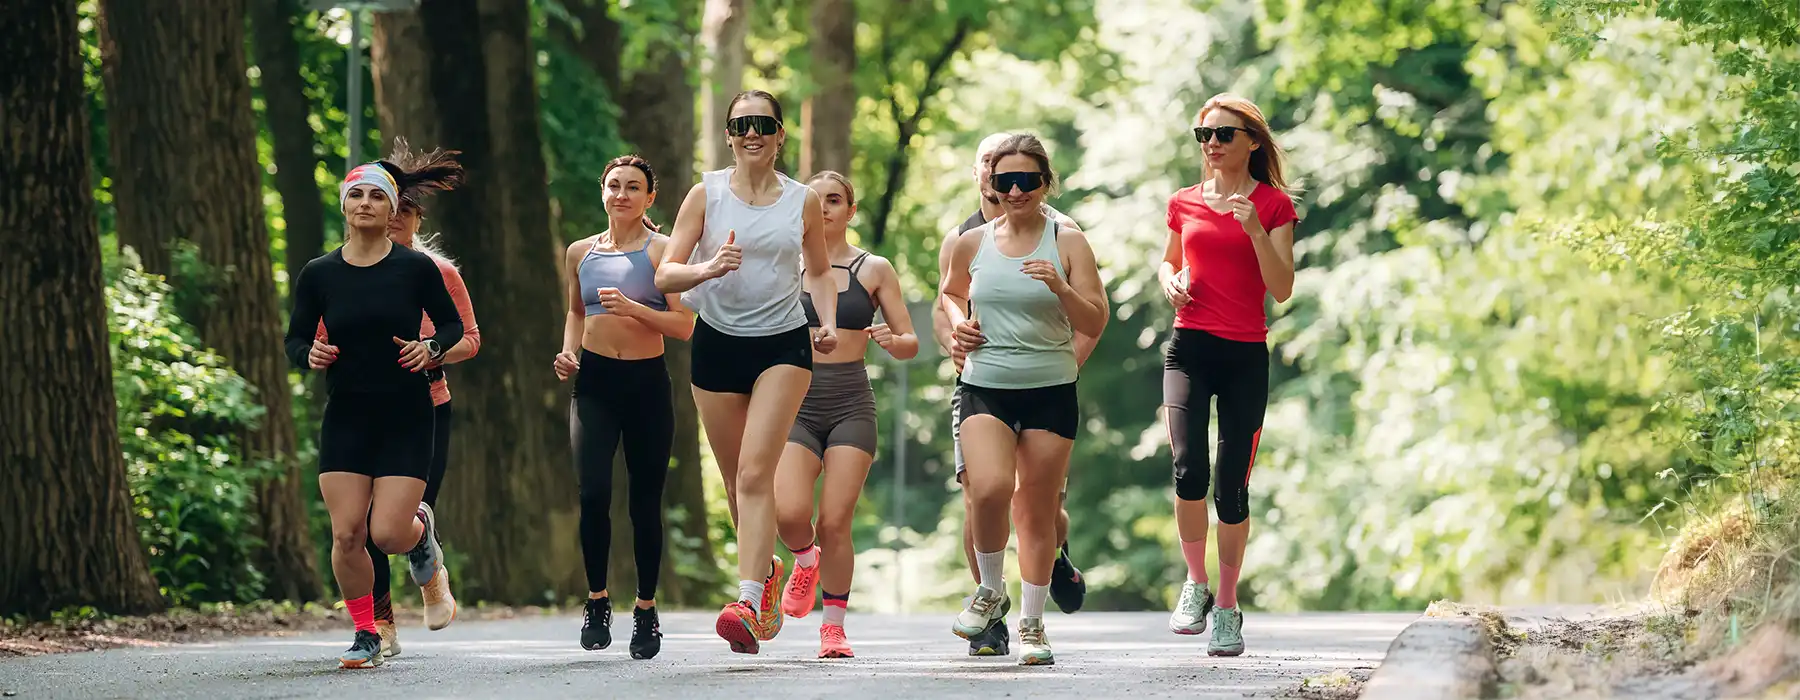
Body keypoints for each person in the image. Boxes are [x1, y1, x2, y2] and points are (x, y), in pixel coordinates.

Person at [655, 90, 839, 655]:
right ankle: (768, 580)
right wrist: (708, 267)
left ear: (780, 134)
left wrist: (825, 320)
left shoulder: (802, 200)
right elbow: (665, 276)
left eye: (763, 123)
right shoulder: (705, 193)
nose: (751, 133)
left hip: (783, 344)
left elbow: (821, 272)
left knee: (757, 473)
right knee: (738, 485)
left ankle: (748, 597)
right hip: (717, 345)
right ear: (730, 133)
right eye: (741, 124)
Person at [284, 162, 465, 669]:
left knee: (387, 533)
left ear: (391, 210)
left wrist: (430, 347)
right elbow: (295, 338)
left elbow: (451, 325)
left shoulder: (414, 268)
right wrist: (307, 356)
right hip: (346, 414)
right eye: (356, 195)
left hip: (406, 414)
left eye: (376, 197)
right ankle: (366, 632)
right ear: (344, 206)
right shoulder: (319, 274)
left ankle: (421, 538)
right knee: (347, 534)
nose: (365, 203)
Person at [939, 134, 1108, 666]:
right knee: (987, 489)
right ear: (989, 183)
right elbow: (949, 291)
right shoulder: (972, 242)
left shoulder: (1068, 242)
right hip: (985, 385)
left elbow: (1095, 318)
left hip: (1050, 389)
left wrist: (1060, 287)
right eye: (1003, 180)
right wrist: (959, 326)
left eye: (1026, 181)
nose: (1014, 190)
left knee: (1035, 510)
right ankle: (991, 591)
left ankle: (1033, 625)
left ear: (1044, 183)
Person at [1157, 93, 1298, 657]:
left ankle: (1229, 605)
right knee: (1189, 470)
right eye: (1204, 136)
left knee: (1231, 487)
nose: (1211, 144)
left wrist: (1255, 232)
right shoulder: (1182, 202)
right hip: (1189, 347)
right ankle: (1196, 583)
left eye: (1223, 135)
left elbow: (1283, 288)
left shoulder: (1273, 205)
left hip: (1245, 354)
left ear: (1252, 142)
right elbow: (1169, 259)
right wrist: (1168, 280)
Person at [773, 171, 920, 659]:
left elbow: (909, 341)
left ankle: (832, 628)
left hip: (851, 402)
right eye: (816, 201)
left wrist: (890, 340)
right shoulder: (782, 264)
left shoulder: (872, 267)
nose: (825, 208)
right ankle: (804, 558)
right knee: (789, 512)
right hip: (794, 400)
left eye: (834, 200)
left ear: (850, 210)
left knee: (836, 521)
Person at [554, 155, 694, 660]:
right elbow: (575, 311)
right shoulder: (579, 252)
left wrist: (636, 309)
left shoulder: (662, 252)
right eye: (613, 185)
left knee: (643, 501)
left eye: (633, 187)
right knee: (592, 493)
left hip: (646, 386)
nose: (622, 195)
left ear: (649, 198)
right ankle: (596, 600)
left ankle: (646, 608)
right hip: (594, 383)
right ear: (602, 191)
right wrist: (569, 351)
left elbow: (684, 326)